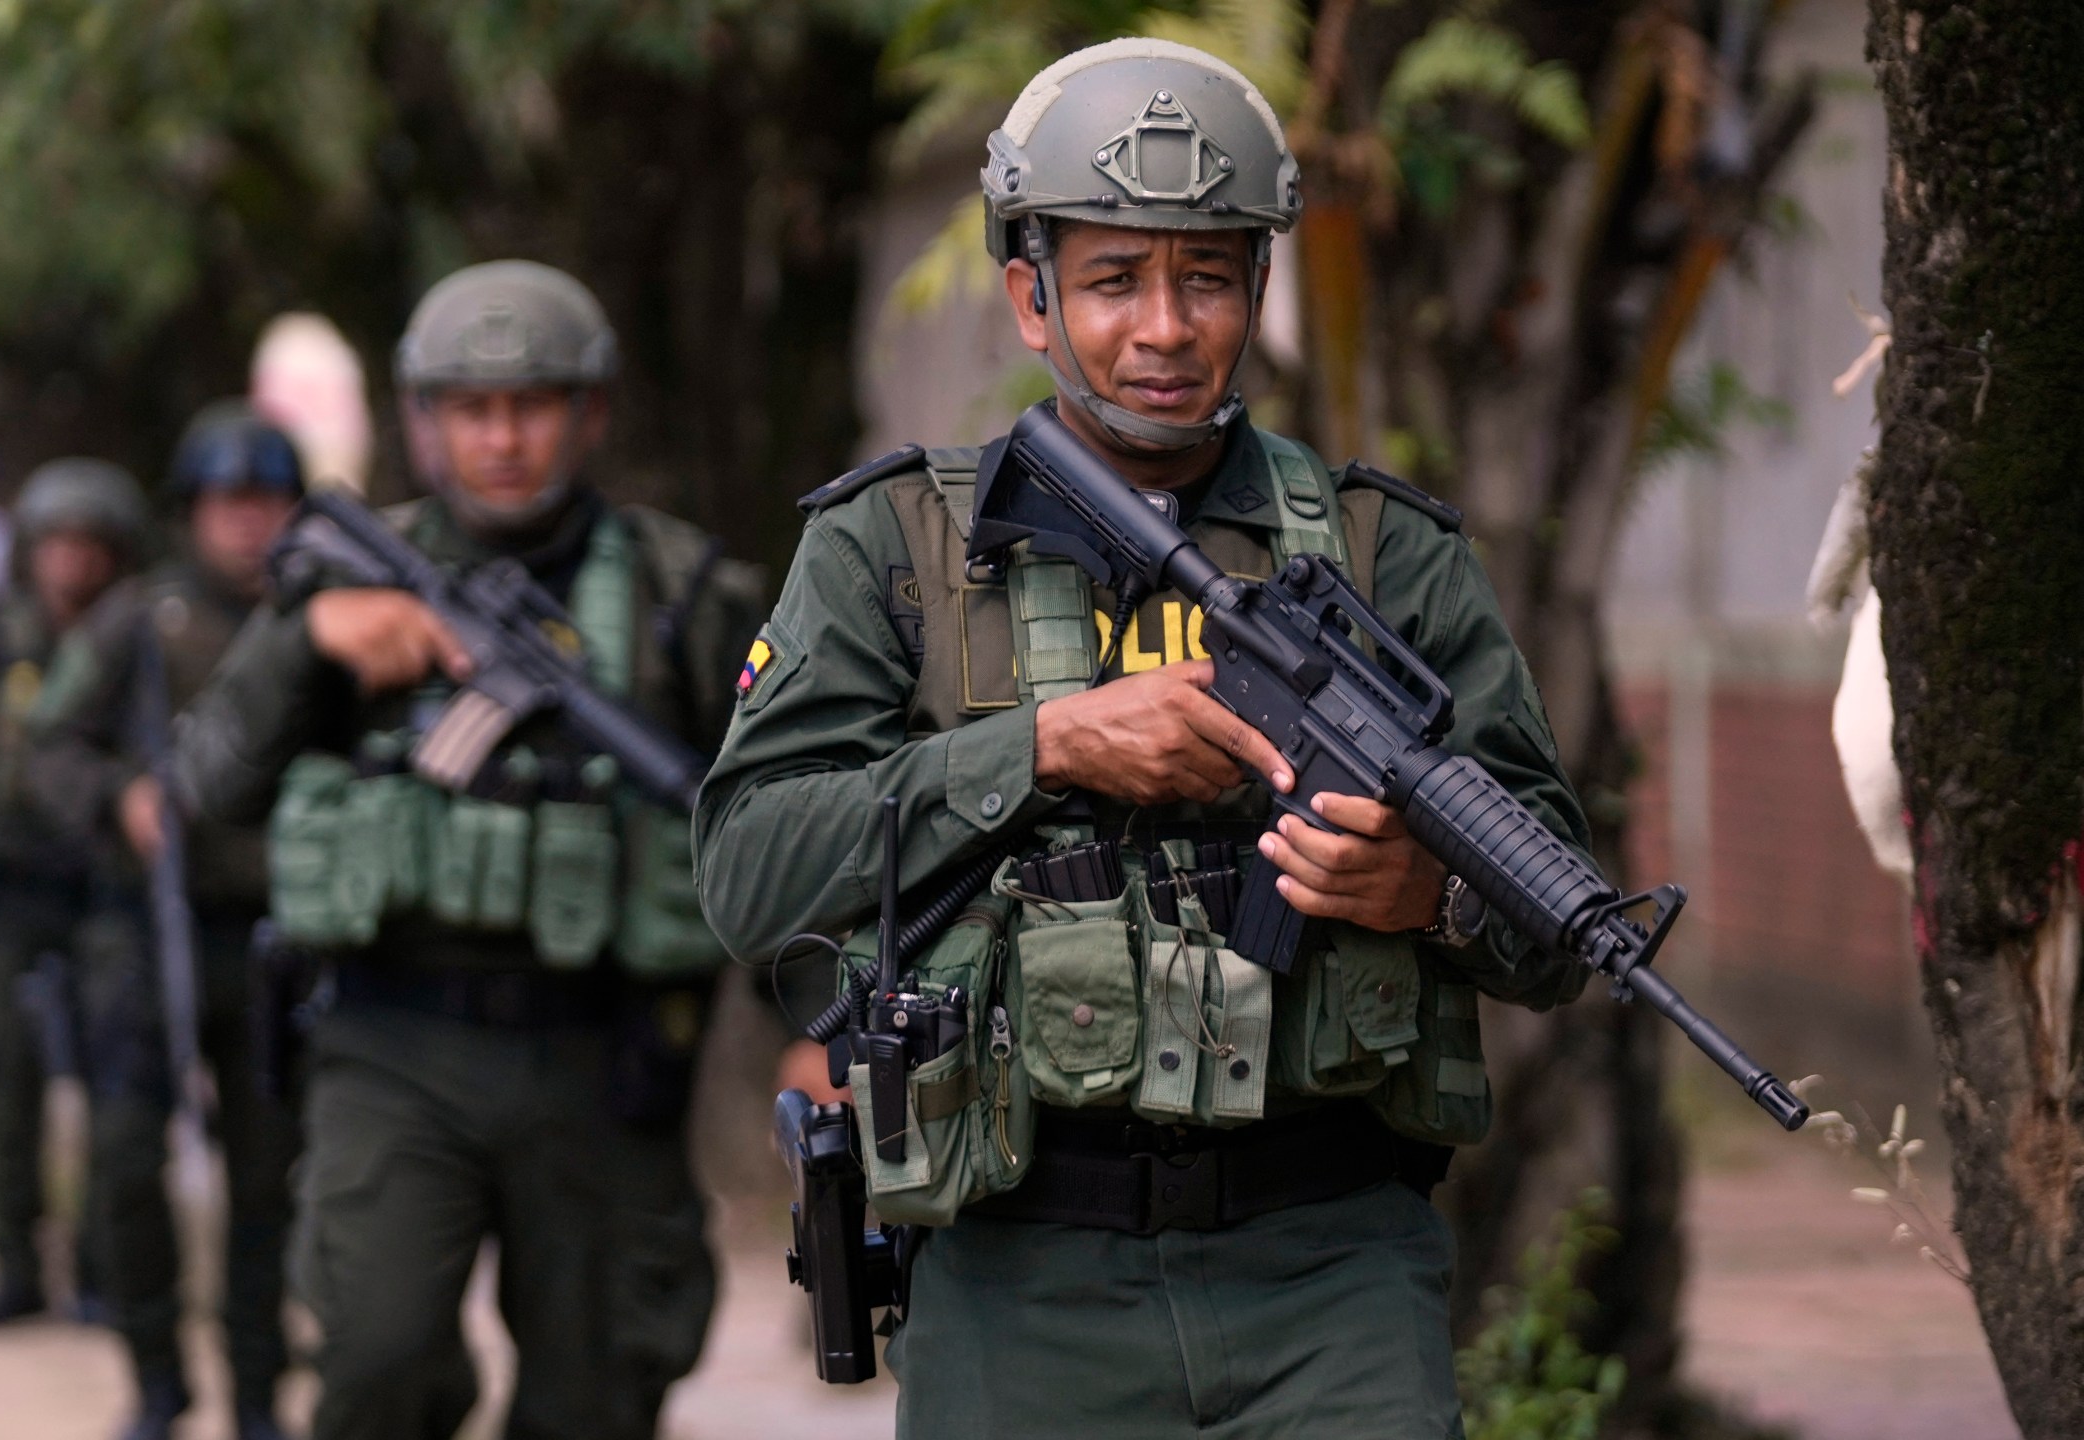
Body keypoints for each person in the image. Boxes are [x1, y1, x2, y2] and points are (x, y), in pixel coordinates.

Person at [694, 40, 1594, 1439]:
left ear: (1258, 292)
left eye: (1207, 278)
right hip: (1021, 1275)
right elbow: (749, 870)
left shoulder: (1380, 552)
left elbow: (1558, 917)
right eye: (1114, 280)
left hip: (1333, 1265)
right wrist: (1040, 751)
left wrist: (1433, 893)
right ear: (1030, 298)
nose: (1164, 329)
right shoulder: (898, 550)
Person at [170, 260, 764, 1440]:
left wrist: (811, 1031)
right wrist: (312, 645)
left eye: (533, 405)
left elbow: (778, 814)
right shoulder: (340, 572)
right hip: (393, 1041)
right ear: (419, 421)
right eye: (470, 410)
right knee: (375, 1364)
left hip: (604, 1049)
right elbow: (207, 786)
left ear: (590, 414)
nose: (502, 438)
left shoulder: (678, 593)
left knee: (595, 1395)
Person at [27, 404, 306, 1440]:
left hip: (281, 943)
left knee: (265, 1186)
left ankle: (258, 1396)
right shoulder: (137, 619)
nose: (246, 525)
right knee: (127, 1165)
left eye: (264, 501)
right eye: (227, 504)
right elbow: (47, 744)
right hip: (151, 937)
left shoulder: (313, 618)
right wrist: (119, 799)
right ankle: (154, 1378)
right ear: (191, 513)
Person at [0, 459, 149, 1328]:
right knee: (8, 1079)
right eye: (55, 544)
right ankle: (16, 1262)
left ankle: (103, 1267)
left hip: (104, 891)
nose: (70, 563)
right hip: (6, 893)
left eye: (88, 546)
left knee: (112, 1087)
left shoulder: (138, 641)